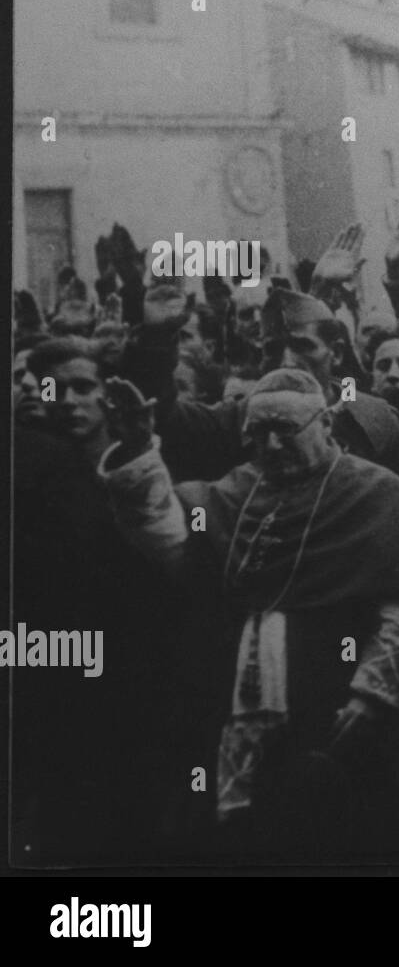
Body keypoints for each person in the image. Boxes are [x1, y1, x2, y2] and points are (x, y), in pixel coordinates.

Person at [98, 369, 399, 860]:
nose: (272, 445)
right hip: (237, 708)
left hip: (336, 706)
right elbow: (172, 543)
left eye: (286, 430)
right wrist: (137, 449)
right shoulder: (234, 492)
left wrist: (374, 694)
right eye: (258, 433)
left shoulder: (378, 495)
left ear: (325, 425)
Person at [13, 338, 191, 863]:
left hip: (141, 669)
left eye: (83, 387)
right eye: (55, 388)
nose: (67, 400)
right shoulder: (32, 469)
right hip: (57, 673)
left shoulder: (148, 456)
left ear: (108, 395)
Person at [120, 282, 399, 518]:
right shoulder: (234, 420)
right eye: (272, 349)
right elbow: (162, 419)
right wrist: (157, 340)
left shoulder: (377, 423)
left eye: (303, 346)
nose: (286, 360)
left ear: (336, 353)